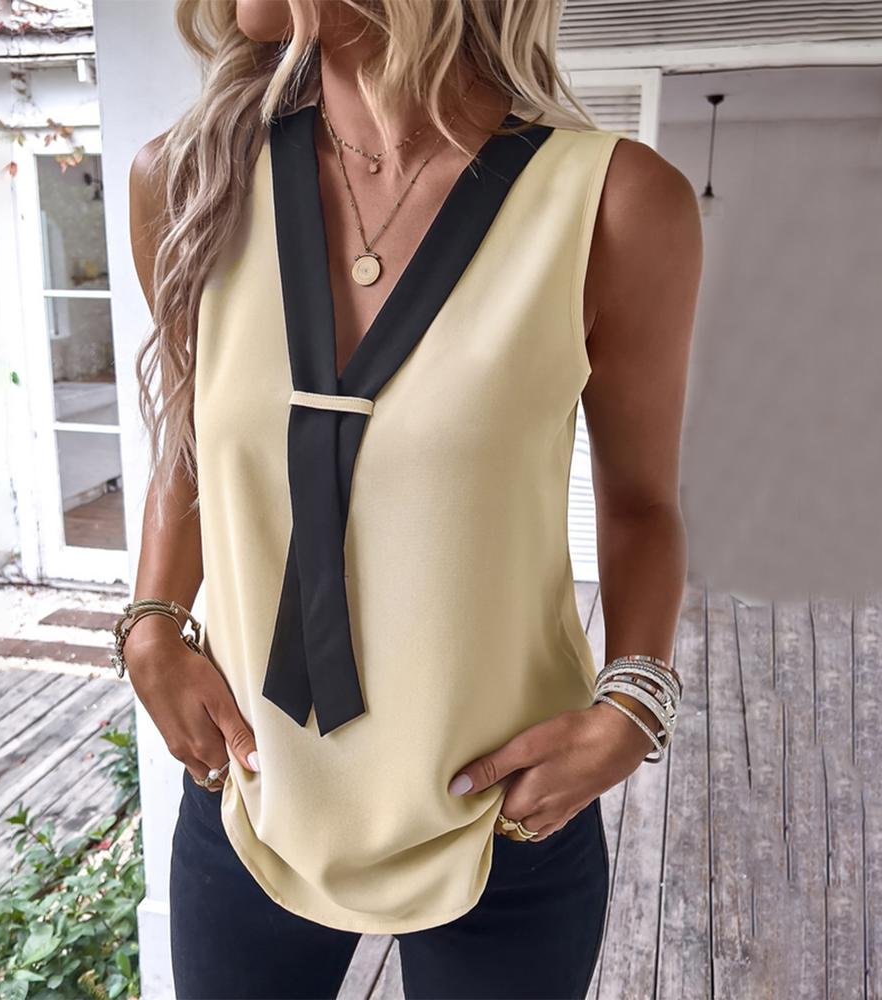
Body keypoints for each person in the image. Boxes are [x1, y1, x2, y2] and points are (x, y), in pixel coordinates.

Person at [119, 1, 701, 997]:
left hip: (502, 812)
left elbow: (641, 501)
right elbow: (193, 440)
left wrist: (632, 705)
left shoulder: (612, 203)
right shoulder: (186, 177)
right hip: (250, 792)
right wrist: (150, 622)